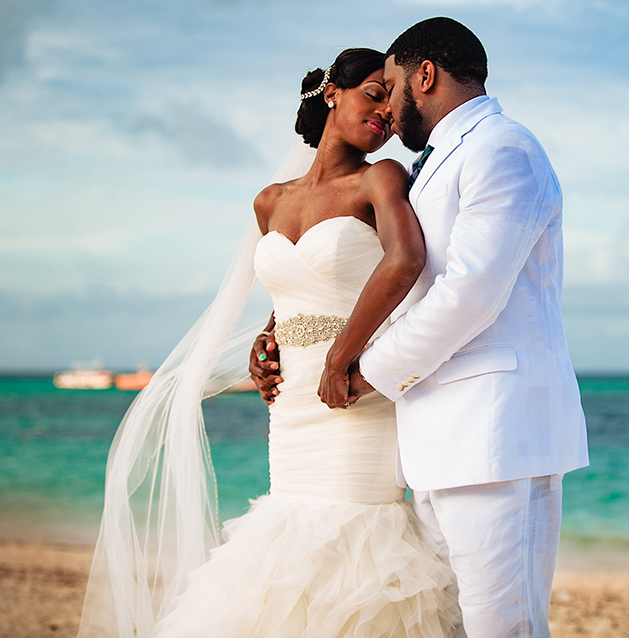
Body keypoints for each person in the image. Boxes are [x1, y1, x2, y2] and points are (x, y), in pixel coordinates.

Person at [79, 48, 459, 638]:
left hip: (355, 395)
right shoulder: (270, 201)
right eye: (374, 93)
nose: (386, 112)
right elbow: (292, 294)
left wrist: (340, 356)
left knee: (360, 544)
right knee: (283, 549)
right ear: (332, 92)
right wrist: (267, 338)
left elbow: (406, 260)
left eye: (393, 98)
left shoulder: (380, 178)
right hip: (292, 410)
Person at [254, 17, 588, 638]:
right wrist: (282, 333)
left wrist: (359, 370)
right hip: (434, 438)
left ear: (424, 76)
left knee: (501, 627)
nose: (387, 109)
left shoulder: (502, 148)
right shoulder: (434, 163)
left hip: (490, 434)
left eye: (393, 87)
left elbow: (470, 295)